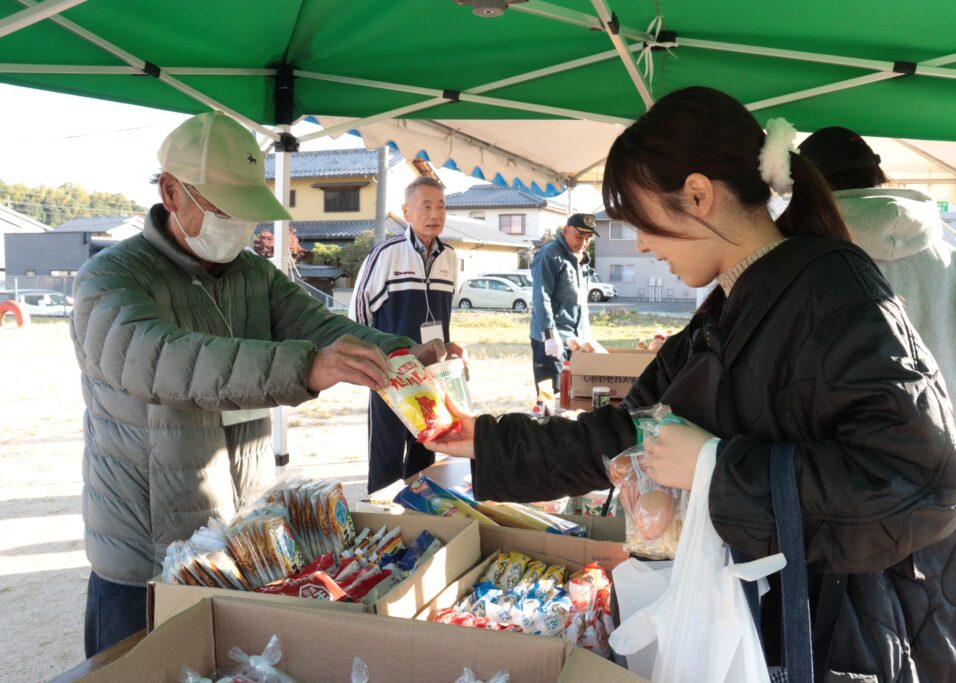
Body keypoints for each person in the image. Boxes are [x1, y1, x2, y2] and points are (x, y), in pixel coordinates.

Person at [429, 87, 956, 681]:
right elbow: (627, 430)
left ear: (698, 195)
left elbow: (921, 485)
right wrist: (478, 437)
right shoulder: (732, 301)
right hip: (790, 618)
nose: (644, 246)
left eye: (642, 223)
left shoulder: (833, 293)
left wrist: (716, 465)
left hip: (865, 635)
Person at [71, 112, 451, 656]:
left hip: (237, 537)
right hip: (143, 551)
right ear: (172, 193)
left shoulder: (252, 274)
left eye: (247, 210)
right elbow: (161, 360)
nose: (239, 224)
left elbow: (326, 327)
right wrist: (305, 368)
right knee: (131, 668)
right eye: (224, 208)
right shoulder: (110, 278)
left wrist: (402, 354)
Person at [798, 126, 956, 448]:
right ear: (877, 176)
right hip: (947, 474)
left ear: (805, 188)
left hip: (837, 477)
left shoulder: (797, 263)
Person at [350, 176, 460, 493]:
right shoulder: (386, 254)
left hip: (432, 373)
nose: (434, 214)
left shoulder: (450, 257)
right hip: (391, 374)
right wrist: (374, 360)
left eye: (440, 207)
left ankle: (423, 517)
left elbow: (445, 312)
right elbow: (359, 314)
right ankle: (383, 522)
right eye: (425, 206)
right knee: (386, 455)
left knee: (425, 451)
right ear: (406, 212)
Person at [529, 213, 598, 395]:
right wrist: (549, 334)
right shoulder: (550, 255)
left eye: (587, 239)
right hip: (552, 339)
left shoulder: (581, 259)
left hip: (576, 340)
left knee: (575, 396)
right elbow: (540, 296)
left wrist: (586, 336)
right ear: (566, 230)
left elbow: (580, 301)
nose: (583, 243)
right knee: (552, 396)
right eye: (579, 237)